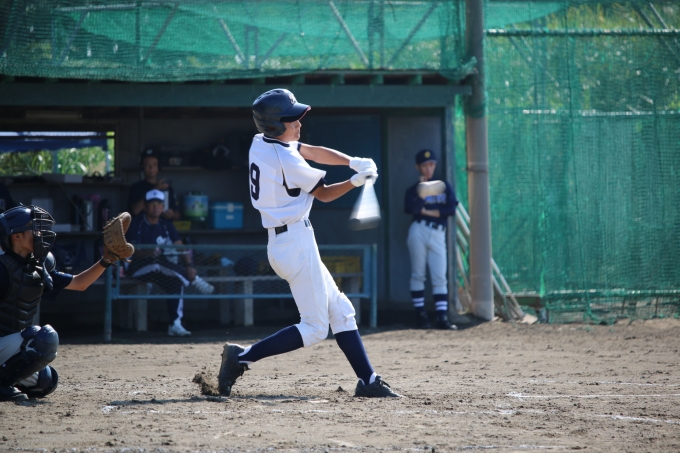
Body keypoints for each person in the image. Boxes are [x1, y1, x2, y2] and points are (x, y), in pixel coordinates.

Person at [218, 88, 400, 398]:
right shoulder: (287, 160)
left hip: (289, 241)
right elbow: (325, 194)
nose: (299, 122)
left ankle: (368, 380)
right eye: (292, 119)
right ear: (276, 124)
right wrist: (356, 181)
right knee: (315, 328)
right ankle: (241, 358)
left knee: (341, 310)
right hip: (294, 244)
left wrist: (353, 162)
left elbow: (311, 151)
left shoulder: (261, 141)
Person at [0, 205, 118, 402]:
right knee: (41, 338)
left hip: (8, 347)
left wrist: (106, 260)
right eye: (33, 228)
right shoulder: (2, 269)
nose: (40, 234)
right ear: (16, 236)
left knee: (46, 381)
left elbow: (80, 283)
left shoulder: (37, 267)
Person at [125, 189, 214, 337]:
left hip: (160, 269)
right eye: (152, 204)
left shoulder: (166, 225)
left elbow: (180, 247)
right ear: (145, 206)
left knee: (175, 283)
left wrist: (189, 265)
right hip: (137, 267)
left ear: (163, 207)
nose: (156, 207)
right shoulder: (136, 223)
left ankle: (175, 324)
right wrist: (147, 252)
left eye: (159, 204)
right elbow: (132, 251)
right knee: (157, 262)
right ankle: (194, 279)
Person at [404, 149, 459, 330]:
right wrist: (423, 191)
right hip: (418, 230)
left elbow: (451, 210)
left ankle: (442, 317)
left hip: (438, 232)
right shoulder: (413, 190)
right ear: (418, 167)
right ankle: (421, 316)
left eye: (432, 165)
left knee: (439, 276)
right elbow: (413, 209)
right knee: (418, 274)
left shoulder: (443, 186)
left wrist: (427, 211)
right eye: (425, 165)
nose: (429, 168)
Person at [128, 148, 180, 220]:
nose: (151, 168)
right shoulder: (136, 188)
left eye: (154, 164)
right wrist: (155, 189)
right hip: (142, 225)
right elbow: (135, 211)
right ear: (142, 167)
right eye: (147, 164)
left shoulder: (166, 188)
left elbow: (177, 215)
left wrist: (172, 215)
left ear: (158, 167)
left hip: (163, 225)